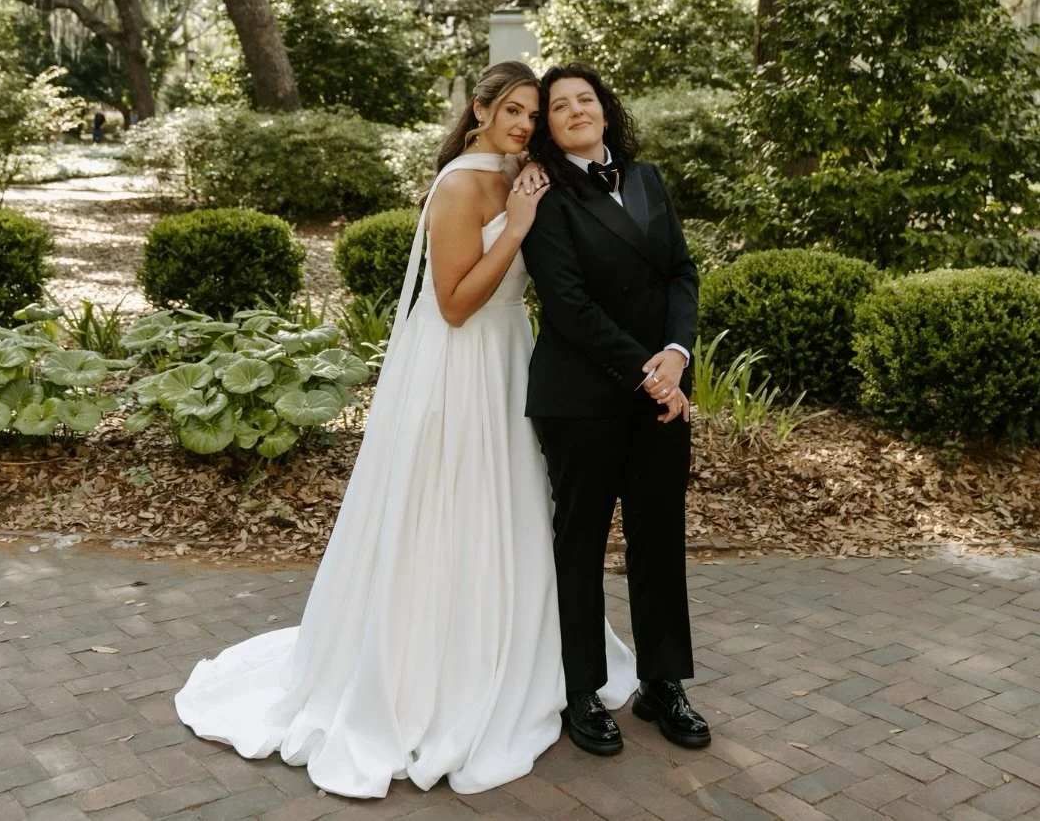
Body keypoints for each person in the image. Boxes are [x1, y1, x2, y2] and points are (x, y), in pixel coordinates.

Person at [175, 61, 637, 798]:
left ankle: (516, 652)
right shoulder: (459, 185)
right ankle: (427, 673)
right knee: (444, 509)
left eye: (532, 112)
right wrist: (515, 228)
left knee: (508, 508)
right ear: (479, 110)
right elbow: (455, 304)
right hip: (458, 364)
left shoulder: (527, 169)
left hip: (510, 358)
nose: (522, 124)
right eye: (511, 110)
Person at [523, 62, 709, 757]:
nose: (576, 110)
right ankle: (581, 692)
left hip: (661, 388)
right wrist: (649, 374)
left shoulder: (648, 178)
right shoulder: (543, 194)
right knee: (580, 542)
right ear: (547, 125)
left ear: (606, 109)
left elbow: (682, 273)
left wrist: (676, 355)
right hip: (582, 398)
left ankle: (664, 684)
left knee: (659, 537)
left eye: (586, 99)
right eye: (560, 105)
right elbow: (567, 305)